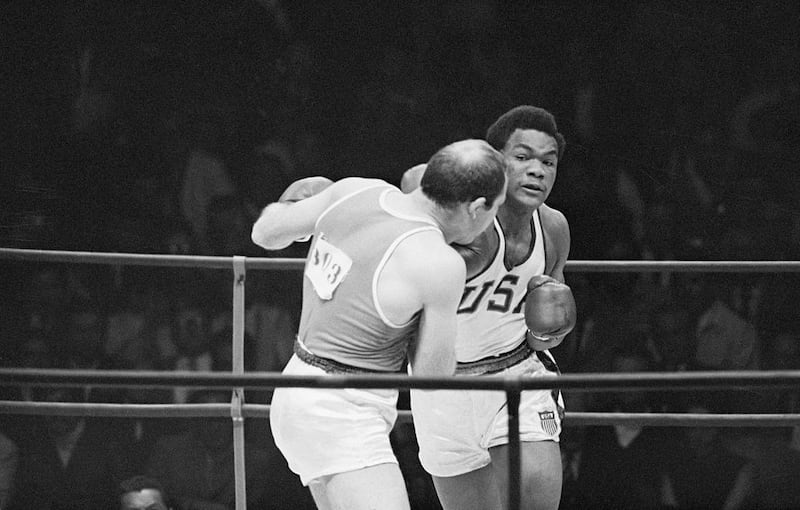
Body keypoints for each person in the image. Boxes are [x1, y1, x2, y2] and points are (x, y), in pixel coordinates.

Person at [251, 138, 507, 510]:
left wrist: (300, 208)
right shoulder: (438, 261)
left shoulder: (353, 190)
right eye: (495, 210)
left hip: (294, 391)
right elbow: (431, 378)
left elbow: (265, 233)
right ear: (478, 207)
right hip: (343, 412)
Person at [402, 106, 576, 510]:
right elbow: (413, 181)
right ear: (496, 160)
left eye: (548, 162)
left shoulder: (552, 229)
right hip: (441, 388)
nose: (537, 170)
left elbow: (546, 330)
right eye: (523, 157)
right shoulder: (460, 218)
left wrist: (551, 329)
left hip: (515, 378)